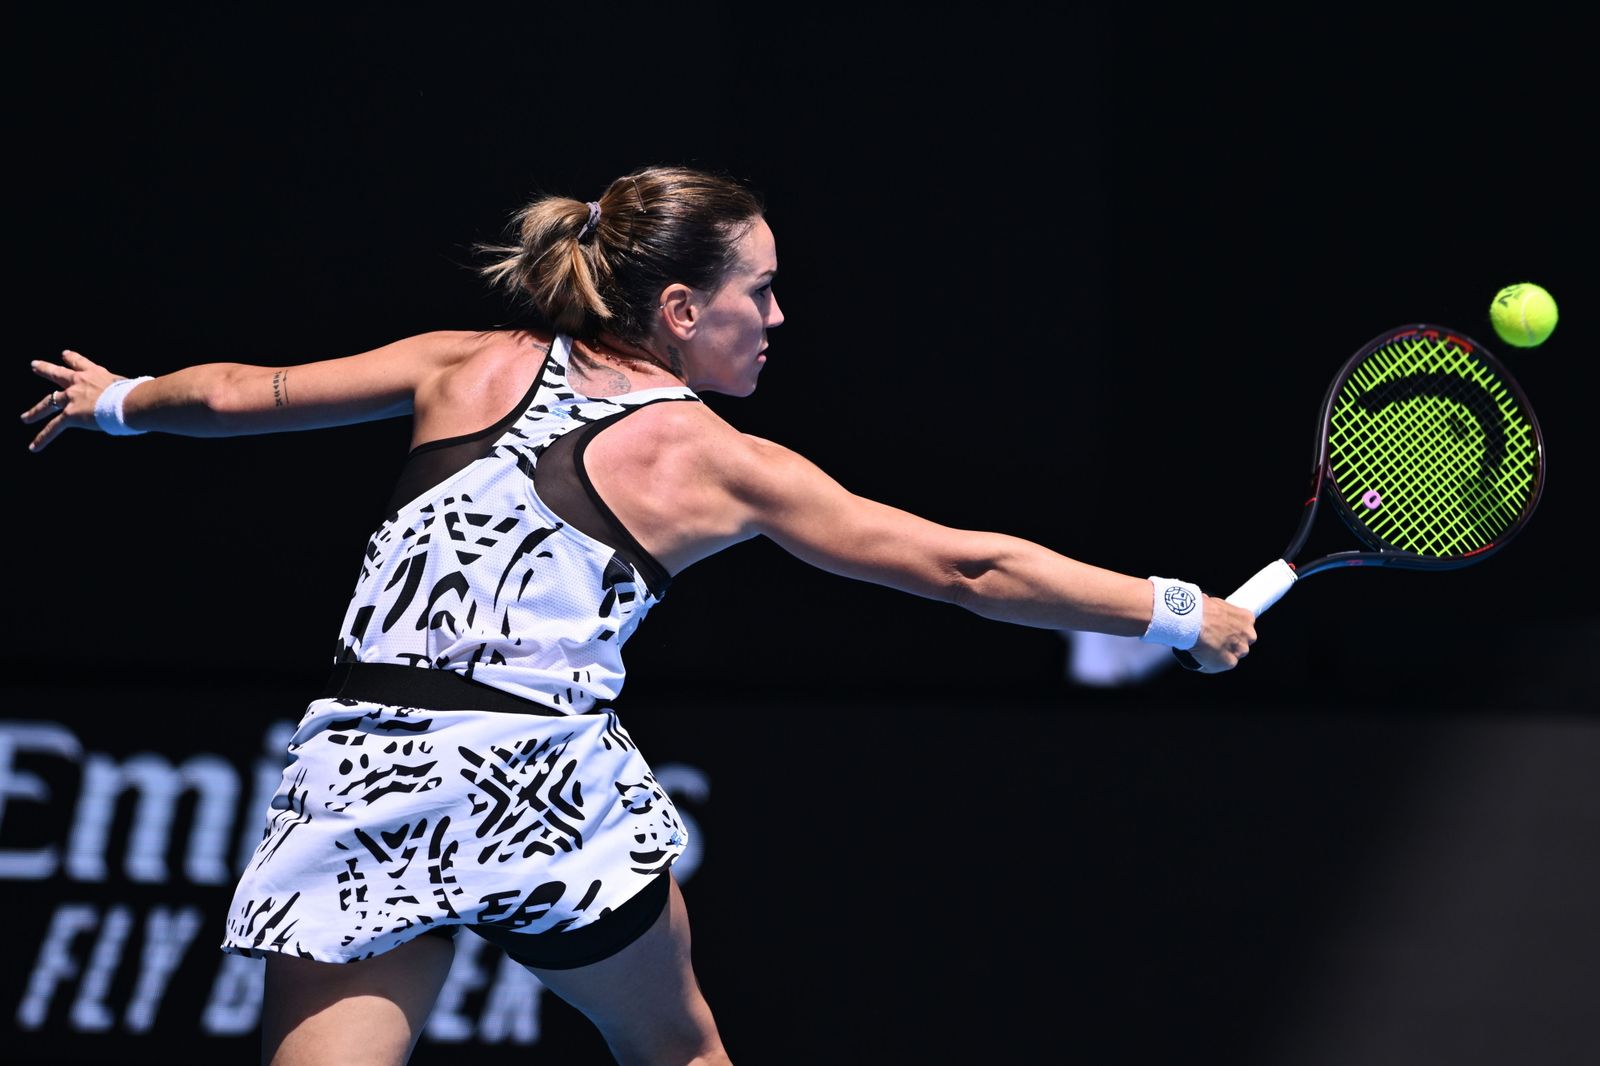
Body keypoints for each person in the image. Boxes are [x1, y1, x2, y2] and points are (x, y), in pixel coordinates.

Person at [20, 164, 1257, 1066]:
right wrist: (1174, 612)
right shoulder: (716, 458)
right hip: (539, 786)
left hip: (367, 769)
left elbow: (239, 394)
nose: (778, 318)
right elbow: (967, 570)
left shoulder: (467, 360)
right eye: (760, 291)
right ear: (679, 309)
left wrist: (118, 399)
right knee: (676, 1049)